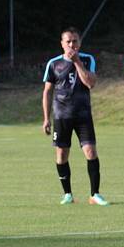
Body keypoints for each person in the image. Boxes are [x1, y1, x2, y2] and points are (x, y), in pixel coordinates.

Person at [42, 27, 109, 206]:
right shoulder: (53, 64)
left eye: (75, 41)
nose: (72, 44)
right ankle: (68, 194)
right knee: (62, 155)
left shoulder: (87, 59)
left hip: (83, 115)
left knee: (91, 151)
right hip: (61, 115)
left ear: (80, 43)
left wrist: (77, 61)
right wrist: (46, 118)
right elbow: (47, 92)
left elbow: (90, 83)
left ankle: (95, 194)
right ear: (62, 44)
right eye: (68, 41)